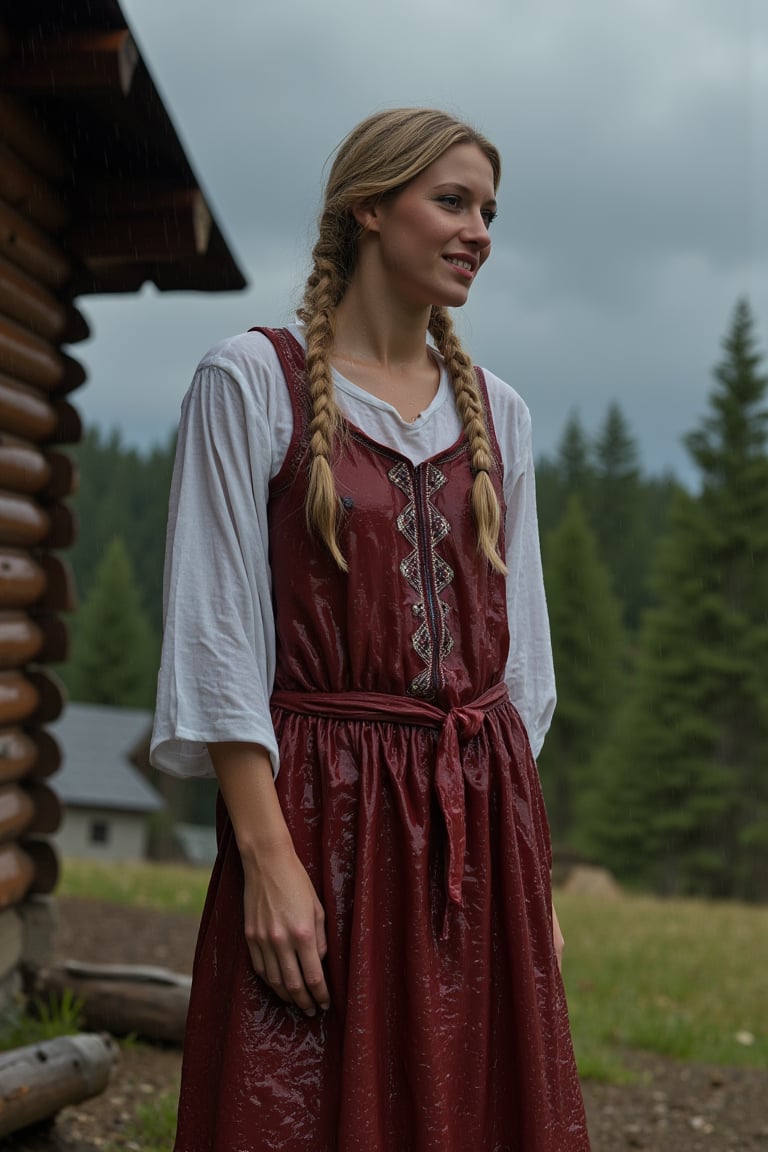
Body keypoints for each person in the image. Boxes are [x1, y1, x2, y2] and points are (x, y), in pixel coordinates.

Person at [151, 107, 591, 1152]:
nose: (479, 228)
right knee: (291, 1103)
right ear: (368, 209)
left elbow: (519, 668)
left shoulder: (501, 413)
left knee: (476, 1106)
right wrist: (269, 859)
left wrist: (525, 873)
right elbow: (218, 640)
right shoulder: (250, 382)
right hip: (320, 806)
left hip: (476, 820)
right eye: (452, 200)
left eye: (489, 208)